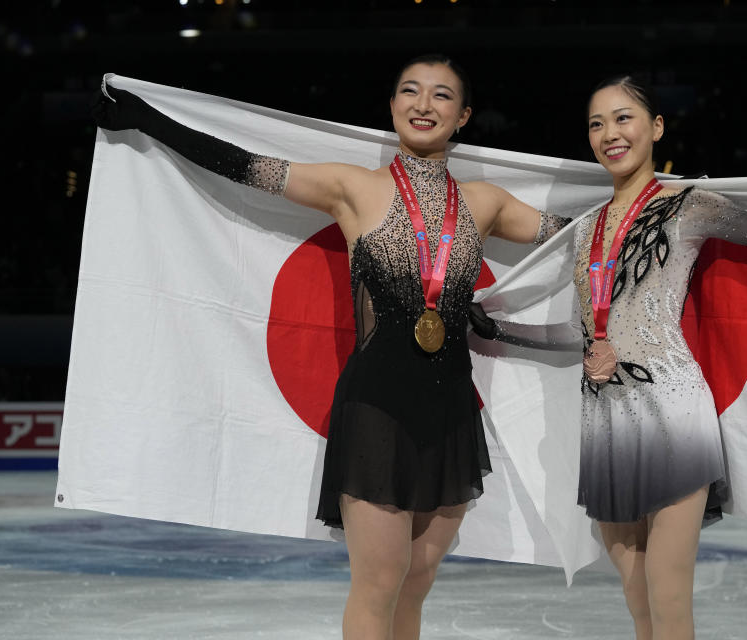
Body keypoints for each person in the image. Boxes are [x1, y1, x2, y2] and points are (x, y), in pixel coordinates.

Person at [91, 54, 569, 640]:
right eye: (410, 92)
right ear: (392, 106)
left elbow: (578, 237)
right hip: (377, 409)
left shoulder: (487, 203)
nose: (424, 105)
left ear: (464, 114)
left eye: (441, 96)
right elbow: (244, 167)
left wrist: (655, 200)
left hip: (451, 414)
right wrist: (151, 121)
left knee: (417, 580)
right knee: (380, 582)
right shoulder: (351, 187)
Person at [471, 75, 747, 639]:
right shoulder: (586, 229)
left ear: (656, 127)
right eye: (597, 123)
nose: (610, 133)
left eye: (624, 118)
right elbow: (581, 330)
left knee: (667, 595)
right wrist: (501, 329)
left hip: (672, 412)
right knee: (637, 595)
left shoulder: (690, 206)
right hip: (605, 420)